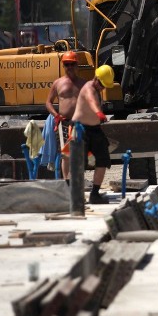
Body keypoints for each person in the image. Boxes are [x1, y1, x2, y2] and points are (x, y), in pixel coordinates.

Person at [71, 64, 114, 204]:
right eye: (102, 84)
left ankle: (94, 194)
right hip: (80, 129)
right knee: (79, 163)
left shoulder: (97, 88)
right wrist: (99, 113)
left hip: (94, 130)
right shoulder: (88, 88)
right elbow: (91, 101)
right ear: (96, 78)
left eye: (105, 86)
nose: (103, 88)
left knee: (103, 159)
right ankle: (76, 196)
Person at [45, 51, 86, 180]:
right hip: (63, 123)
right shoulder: (58, 83)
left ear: (77, 65)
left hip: (79, 123)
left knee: (78, 154)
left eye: (72, 64)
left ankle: (77, 183)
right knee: (65, 155)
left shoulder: (84, 84)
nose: (69, 67)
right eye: (66, 64)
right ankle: (67, 184)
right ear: (63, 66)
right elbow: (48, 102)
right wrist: (56, 115)